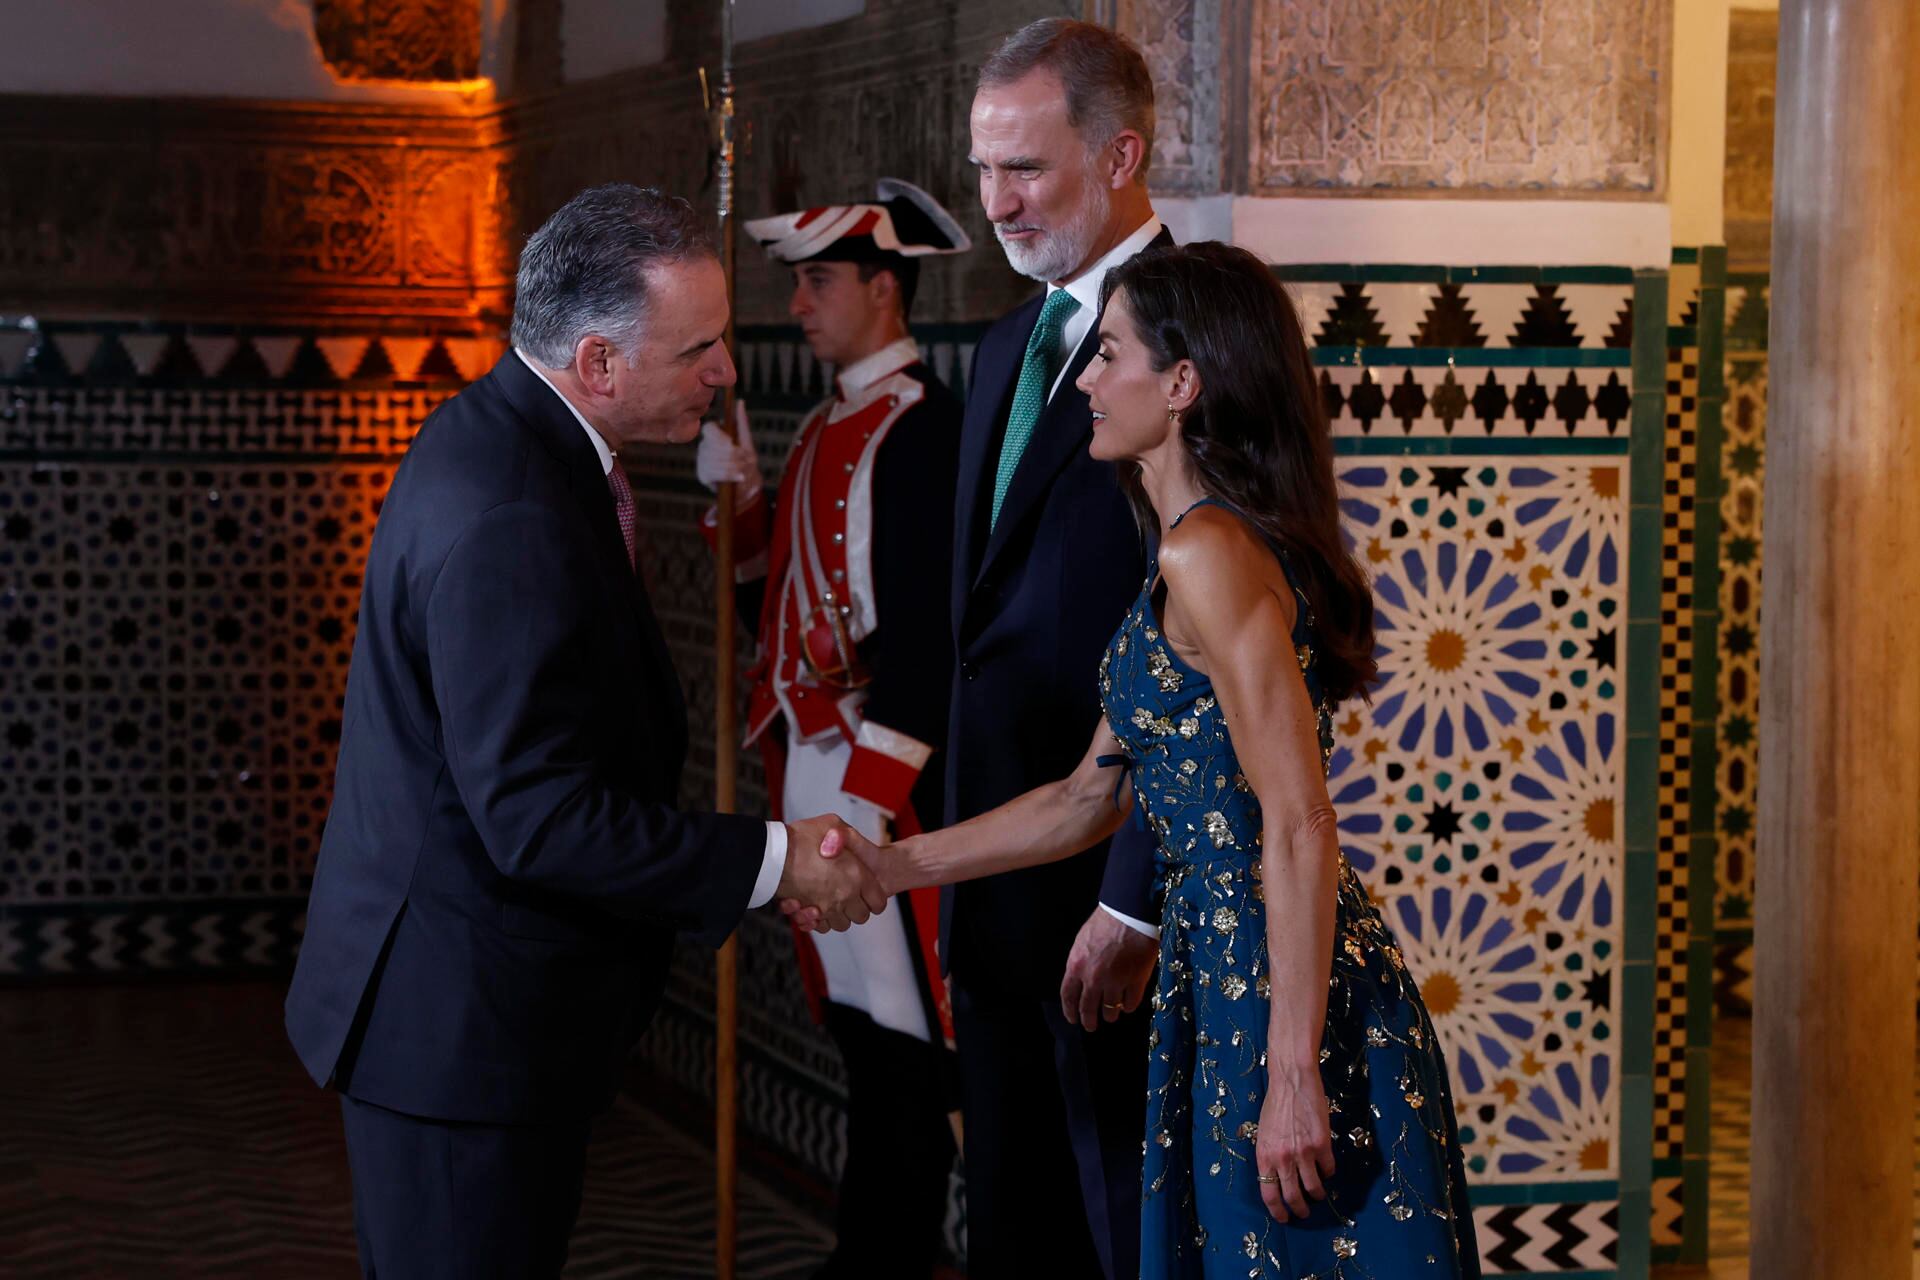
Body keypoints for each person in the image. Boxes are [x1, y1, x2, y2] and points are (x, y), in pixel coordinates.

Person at [283, 184, 889, 1279]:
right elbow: (536, 816)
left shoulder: (507, 432)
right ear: (600, 362)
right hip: (458, 1036)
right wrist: (773, 857)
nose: (725, 372)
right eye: (699, 347)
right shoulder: (516, 506)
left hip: (465, 1014)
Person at [864, 241, 1481, 1278]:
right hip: (1217, 976)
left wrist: (1293, 1072)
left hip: (1281, 993)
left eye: (1108, 356)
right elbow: (1082, 797)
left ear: (1183, 383)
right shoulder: (1183, 543)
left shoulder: (1208, 552)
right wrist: (888, 868)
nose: (1089, 382)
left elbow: (1297, 822)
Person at [695, 178, 969, 1278]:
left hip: (878, 788)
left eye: (818, 281)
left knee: (910, 1052)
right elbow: (779, 604)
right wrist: (742, 505)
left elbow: (922, 650)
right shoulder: (820, 424)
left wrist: (861, 809)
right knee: (861, 1038)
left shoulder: (921, 431)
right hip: (810, 773)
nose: (799, 305)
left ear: (883, 288)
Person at [948, 19, 1171, 1279]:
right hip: (996, 877)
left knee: (1110, 1234)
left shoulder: (1201, 336)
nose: (997, 202)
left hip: (1113, 905)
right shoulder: (1001, 346)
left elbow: (1211, 651)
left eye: (1024, 169)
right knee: (1016, 1229)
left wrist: (1131, 892)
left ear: (1120, 151)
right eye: (984, 170)